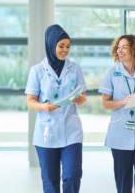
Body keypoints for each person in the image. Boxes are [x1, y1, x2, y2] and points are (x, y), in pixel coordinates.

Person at [25, 24, 87, 193]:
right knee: (50, 179)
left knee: (72, 175)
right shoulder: (37, 70)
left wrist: (81, 100)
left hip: (71, 130)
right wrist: (42, 107)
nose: (65, 50)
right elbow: (30, 101)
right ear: (51, 45)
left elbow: (83, 96)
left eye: (68, 46)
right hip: (47, 131)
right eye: (61, 46)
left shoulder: (75, 68)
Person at [98, 35, 135, 193]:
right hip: (120, 134)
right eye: (118, 47)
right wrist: (124, 101)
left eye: (124, 46)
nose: (120, 50)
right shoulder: (111, 73)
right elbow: (105, 103)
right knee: (123, 182)